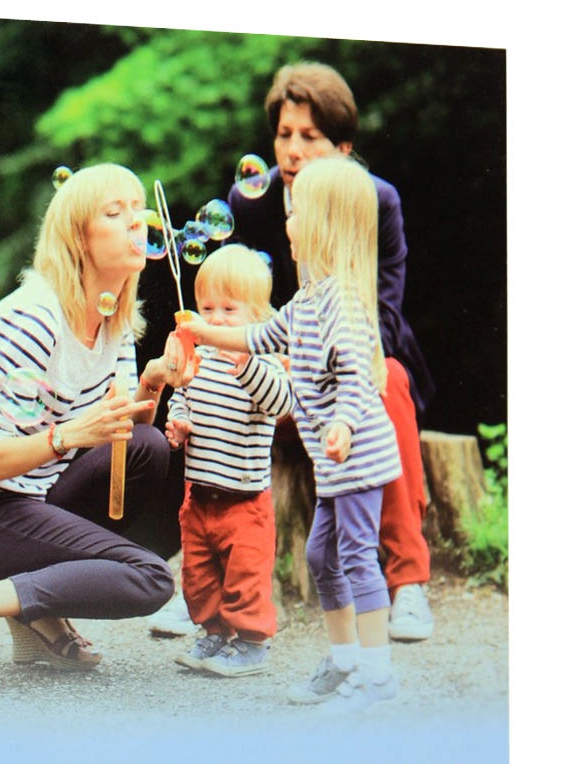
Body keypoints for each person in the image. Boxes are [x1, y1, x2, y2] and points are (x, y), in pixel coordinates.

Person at [0, 163, 189, 701]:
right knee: (151, 578)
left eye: (138, 211)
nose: (136, 223)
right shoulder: (34, 320)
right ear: (79, 237)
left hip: (34, 499)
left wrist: (153, 384)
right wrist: (70, 435)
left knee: (147, 447)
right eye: (114, 212)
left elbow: (121, 440)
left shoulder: (117, 323)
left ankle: (36, 618)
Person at [182, 155, 401, 712]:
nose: (288, 221)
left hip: (356, 456)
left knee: (355, 557)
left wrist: (343, 423)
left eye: (297, 212)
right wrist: (204, 331)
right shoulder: (308, 300)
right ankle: (345, 661)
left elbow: (356, 374)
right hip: (335, 465)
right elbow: (258, 337)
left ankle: (376, 676)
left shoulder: (343, 303)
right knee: (321, 557)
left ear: (326, 226)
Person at [228, 60, 435, 643]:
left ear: (343, 149)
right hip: (276, 367)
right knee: (217, 378)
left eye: (311, 137)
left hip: (351, 367)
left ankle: (408, 582)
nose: (293, 151)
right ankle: (209, 581)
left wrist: (308, 355)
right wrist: (271, 357)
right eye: (284, 134)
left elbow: (380, 318)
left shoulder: (376, 201)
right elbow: (238, 300)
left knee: (387, 379)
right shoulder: (251, 201)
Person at [164, 245, 292, 677]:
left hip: (245, 502)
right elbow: (181, 396)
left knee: (245, 578)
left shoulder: (264, 361)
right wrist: (179, 423)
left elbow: (280, 403)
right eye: (207, 309)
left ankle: (252, 643)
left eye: (229, 310)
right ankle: (214, 633)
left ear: (258, 316)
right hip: (199, 497)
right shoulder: (196, 359)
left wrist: (247, 365)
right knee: (199, 576)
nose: (215, 320)